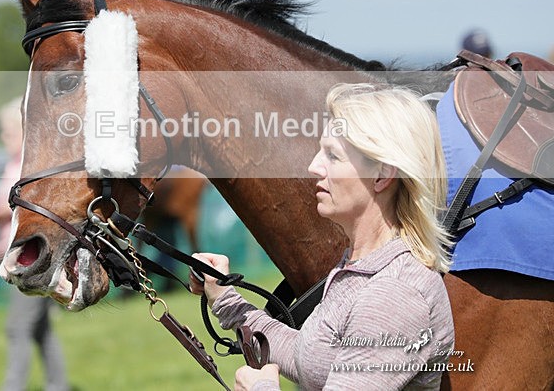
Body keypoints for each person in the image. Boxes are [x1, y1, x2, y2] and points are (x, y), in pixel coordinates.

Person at [190, 84, 455, 390]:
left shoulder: (395, 295)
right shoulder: (361, 269)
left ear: (382, 175)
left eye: (333, 155)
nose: (314, 167)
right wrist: (224, 298)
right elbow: (309, 356)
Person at [0, 96, 70, 391]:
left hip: (28, 259)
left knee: (18, 327)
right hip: (16, 255)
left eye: (8, 132)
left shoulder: (30, 168)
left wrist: (2, 211)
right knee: (40, 330)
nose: (3, 138)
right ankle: (58, 384)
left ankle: (13, 386)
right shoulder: (13, 164)